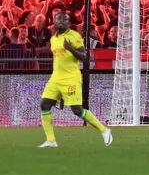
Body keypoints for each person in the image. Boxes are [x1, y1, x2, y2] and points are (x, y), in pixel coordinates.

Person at [39, 10, 112, 148]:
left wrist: (71, 48)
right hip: (56, 78)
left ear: (68, 23)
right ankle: (51, 140)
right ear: (54, 22)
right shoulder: (53, 39)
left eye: (64, 19)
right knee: (44, 104)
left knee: (77, 110)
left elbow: (84, 56)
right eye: (58, 19)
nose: (61, 21)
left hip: (71, 78)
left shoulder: (74, 36)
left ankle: (104, 130)